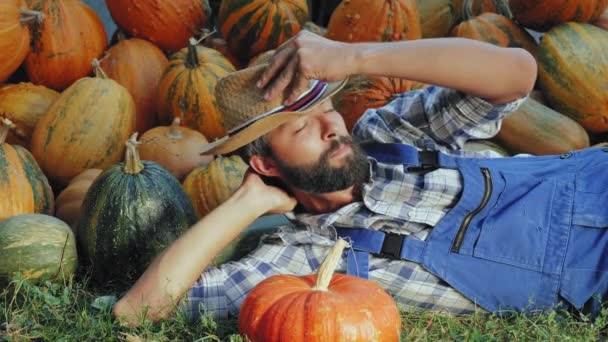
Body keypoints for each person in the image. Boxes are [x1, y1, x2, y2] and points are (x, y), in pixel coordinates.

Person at [113, 30, 608, 327]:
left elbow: (516, 74)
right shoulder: (301, 261)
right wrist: (245, 204)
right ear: (265, 163)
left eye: (328, 110)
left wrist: (357, 56)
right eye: (304, 126)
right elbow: (138, 312)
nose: (333, 127)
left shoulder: (392, 134)